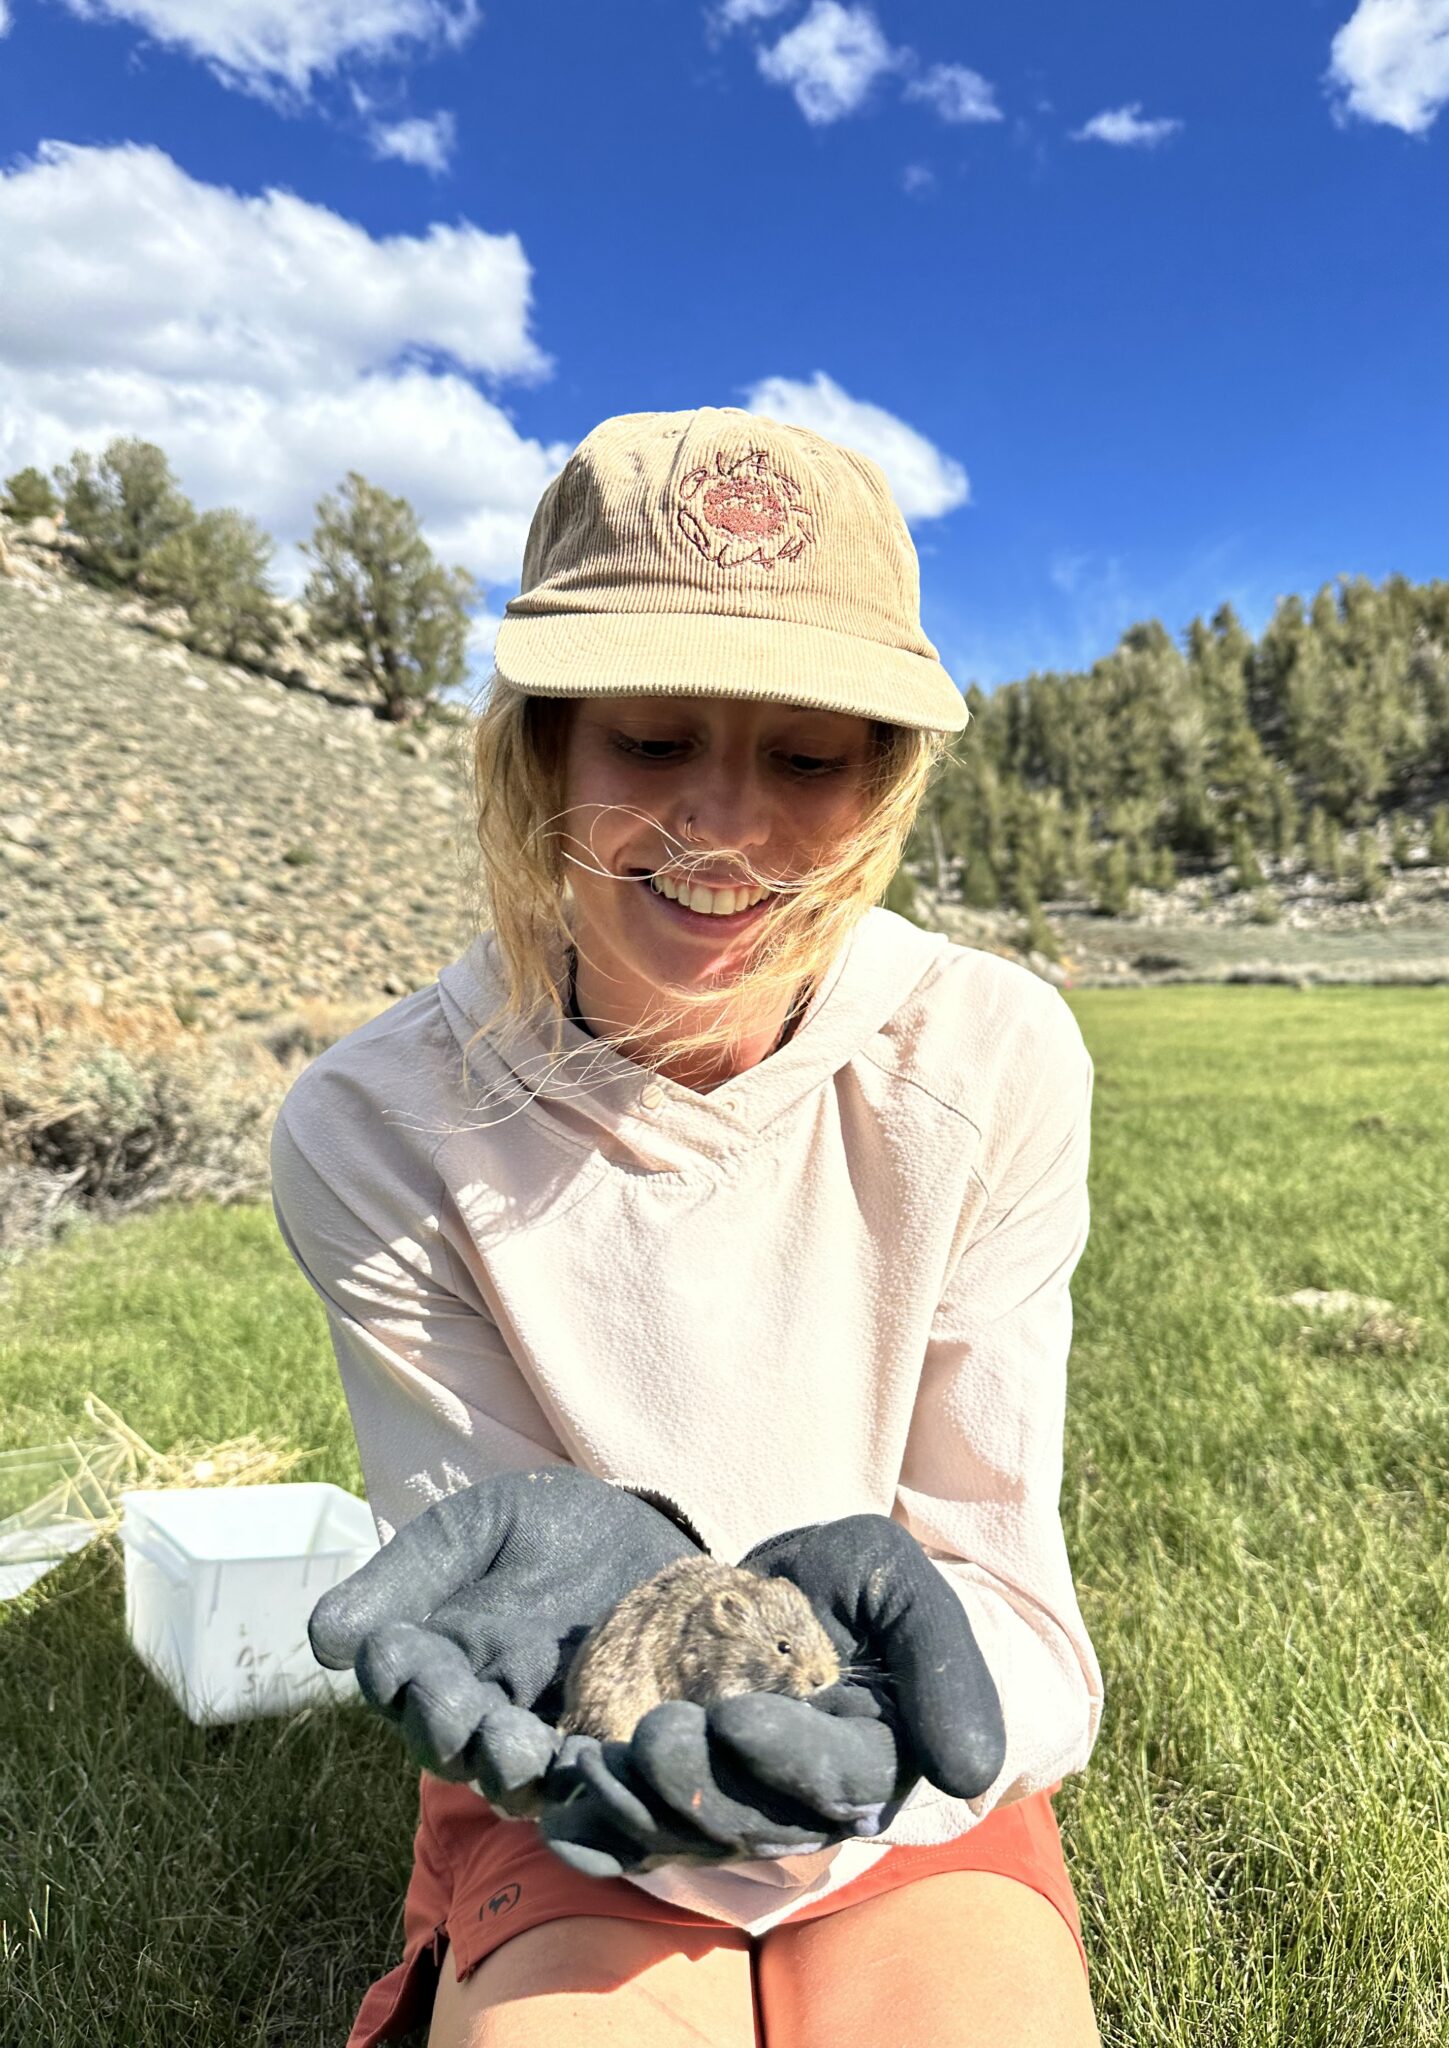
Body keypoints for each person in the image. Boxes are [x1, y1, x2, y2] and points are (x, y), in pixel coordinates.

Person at [269, 406, 1104, 2047]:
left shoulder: (990, 1058)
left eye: (806, 758)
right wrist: (600, 1689)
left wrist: (900, 1726)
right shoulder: (376, 1126)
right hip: (576, 1753)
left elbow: (1002, 1589)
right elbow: (501, 1596)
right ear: (545, 750)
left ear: (881, 783)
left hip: (909, 1734)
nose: (725, 827)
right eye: (652, 740)